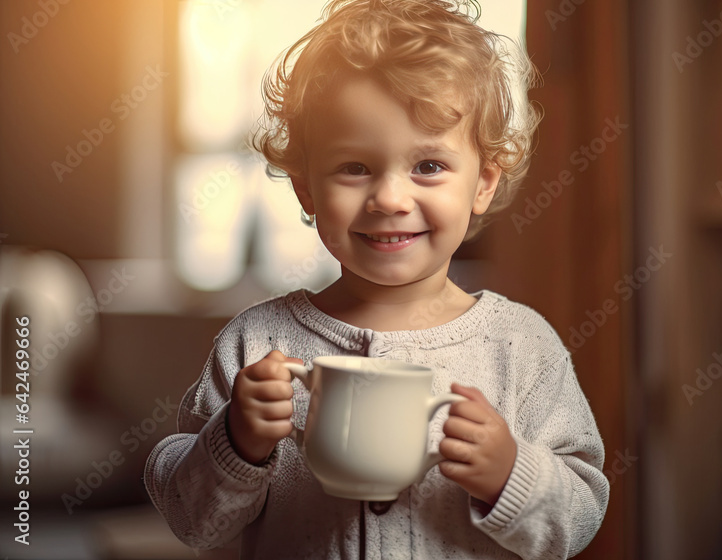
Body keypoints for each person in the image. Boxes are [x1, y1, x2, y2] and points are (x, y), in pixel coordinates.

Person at [144, 0, 609, 558]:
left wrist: (512, 472)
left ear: (483, 182)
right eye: (355, 167)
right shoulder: (255, 344)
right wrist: (235, 443)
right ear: (306, 189)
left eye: (429, 166)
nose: (390, 198)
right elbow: (190, 520)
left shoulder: (523, 347)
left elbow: (579, 515)